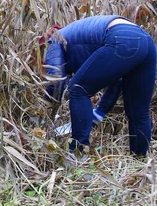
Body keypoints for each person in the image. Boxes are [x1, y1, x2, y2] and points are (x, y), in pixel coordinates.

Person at [43, 15, 156, 158]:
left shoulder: (53, 40)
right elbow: (117, 80)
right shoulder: (78, 45)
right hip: (146, 42)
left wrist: (46, 117)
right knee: (138, 113)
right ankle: (140, 164)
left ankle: (77, 155)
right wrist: (99, 113)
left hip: (122, 36)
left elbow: (56, 79)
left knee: (78, 89)